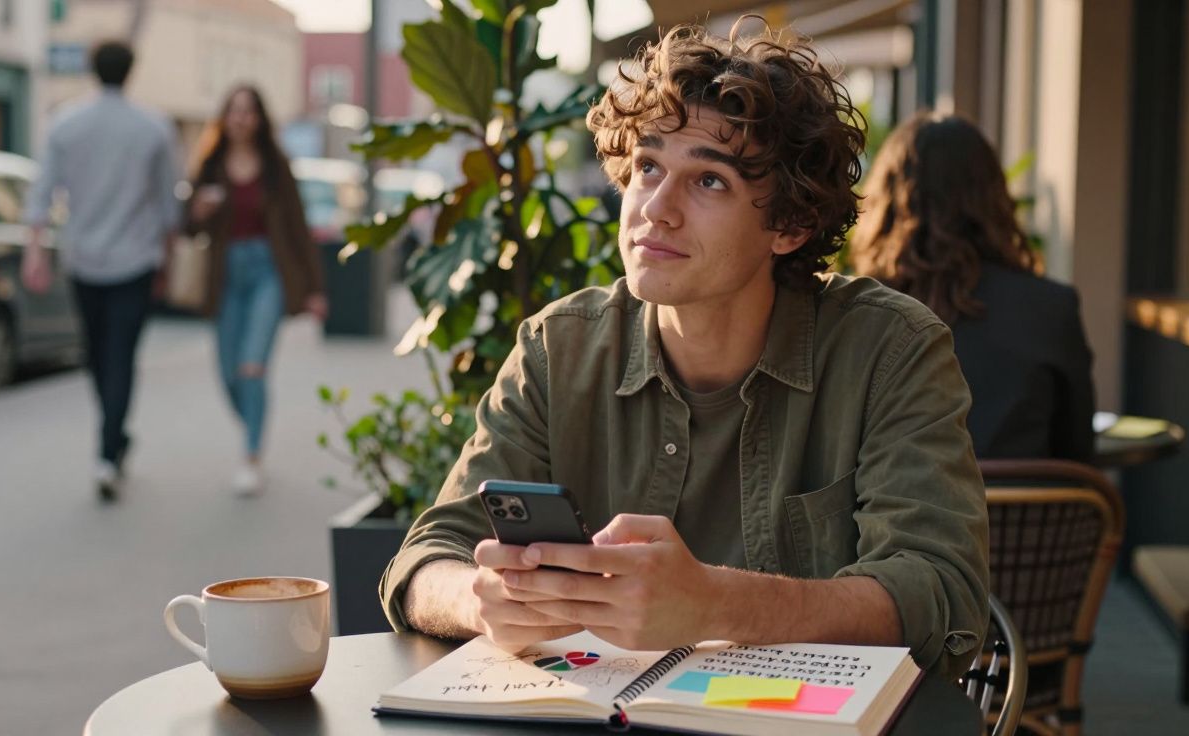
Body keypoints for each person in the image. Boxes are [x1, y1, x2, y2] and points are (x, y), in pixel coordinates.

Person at [379, 19, 989, 678]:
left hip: (800, 718)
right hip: (596, 713)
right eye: (648, 167)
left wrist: (715, 605)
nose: (656, 209)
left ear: (790, 224)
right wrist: (480, 601)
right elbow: (423, 561)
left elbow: (939, 593)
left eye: (709, 182)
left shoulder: (890, 350)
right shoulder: (559, 348)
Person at [851, 113, 1095, 461]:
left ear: (886, 204)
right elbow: (1077, 451)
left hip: (895, 498)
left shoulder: (858, 313)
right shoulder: (1052, 307)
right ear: (994, 198)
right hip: (1028, 498)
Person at [22, 40, 180, 501]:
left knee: (97, 354)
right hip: (135, 259)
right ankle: (113, 443)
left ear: (92, 69)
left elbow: (41, 193)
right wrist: (168, 261)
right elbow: (168, 206)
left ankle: (109, 447)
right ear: (131, 71)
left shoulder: (65, 123)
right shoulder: (154, 127)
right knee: (119, 356)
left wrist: (34, 252)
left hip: (84, 259)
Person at [185, 85, 327, 496]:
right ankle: (253, 421)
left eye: (248, 111)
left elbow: (299, 226)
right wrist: (199, 211)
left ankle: (251, 456)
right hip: (225, 274)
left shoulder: (276, 166)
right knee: (229, 373)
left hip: (268, 271)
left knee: (252, 366)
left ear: (260, 119)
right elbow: (188, 226)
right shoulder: (210, 164)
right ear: (224, 117)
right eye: (234, 110)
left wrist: (315, 288)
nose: (241, 118)